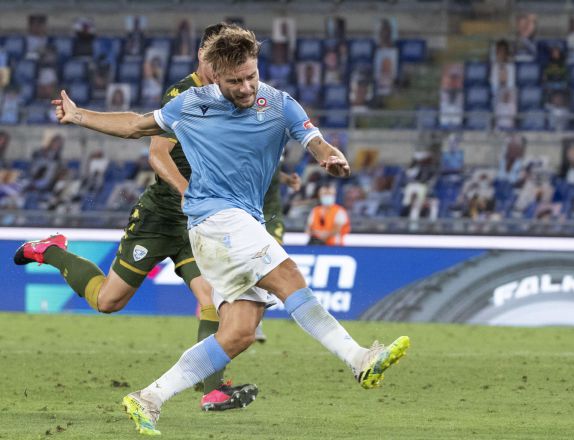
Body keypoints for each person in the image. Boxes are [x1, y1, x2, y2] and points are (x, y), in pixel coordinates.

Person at [45, 24, 409, 436]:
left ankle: (149, 397)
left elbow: (313, 139)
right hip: (214, 219)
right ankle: (360, 359)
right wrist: (78, 115)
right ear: (215, 75)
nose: (246, 86)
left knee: (239, 333)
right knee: (288, 277)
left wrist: (330, 156)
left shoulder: (278, 102)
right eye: (235, 80)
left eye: (251, 76)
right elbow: (135, 126)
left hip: (237, 223)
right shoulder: (192, 104)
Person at [14, 23, 260, 414]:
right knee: (108, 301)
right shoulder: (184, 94)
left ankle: (212, 390)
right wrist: (188, 193)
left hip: (197, 222)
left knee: (212, 298)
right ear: (203, 57)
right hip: (161, 216)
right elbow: (153, 149)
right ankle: (52, 251)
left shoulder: (235, 94)